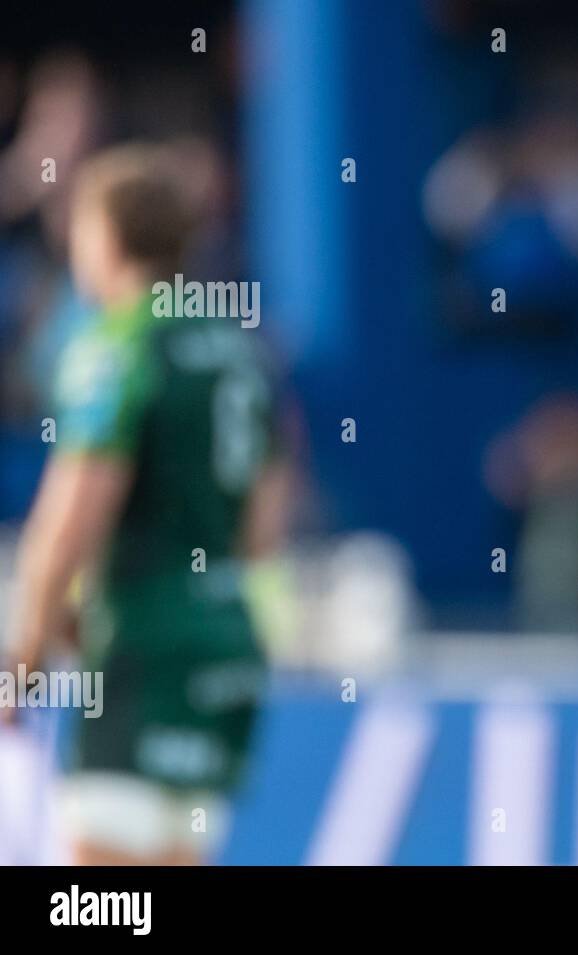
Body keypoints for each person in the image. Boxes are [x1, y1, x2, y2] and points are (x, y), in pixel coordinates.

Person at [3, 143, 292, 865]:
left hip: (139, 648)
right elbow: (263, 526)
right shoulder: (235, 351)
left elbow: (70, 518)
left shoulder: (117, 346)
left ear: (105, 236)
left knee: (103, 902)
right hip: (224, 646)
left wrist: (24, 654)